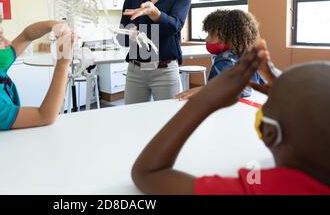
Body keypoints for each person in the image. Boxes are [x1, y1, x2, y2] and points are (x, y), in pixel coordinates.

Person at [132, 40, 330, 194]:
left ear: (269, 133)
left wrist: (204, 101)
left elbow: (149, 173)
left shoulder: (261, 189)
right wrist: (291, 90)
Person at [118, 0, 191, 104]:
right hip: (135, 71)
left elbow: (175, 26)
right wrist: (128, 33)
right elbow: (122, 36)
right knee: (133, 120)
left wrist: (155, 13)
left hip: (164, 71)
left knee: (168, 121)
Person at [175, 9, 263, 100]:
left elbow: (242, 89)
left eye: (211, 35)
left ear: (229, 37)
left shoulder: (224, 60)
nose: (206, 39)